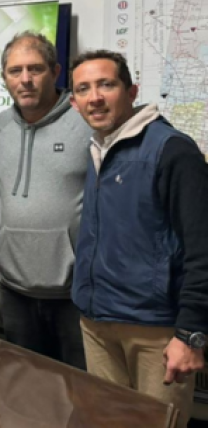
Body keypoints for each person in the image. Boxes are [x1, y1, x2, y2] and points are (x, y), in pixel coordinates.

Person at [69, 50, 208, 428]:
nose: (94, 97)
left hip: (156, 332)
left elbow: (202, 249)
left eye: (106, 85)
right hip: (97, 323)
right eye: (84, 89)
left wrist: (191, 334)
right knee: (106, 421)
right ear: (74, 102)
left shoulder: (172, 150)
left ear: (131, 91)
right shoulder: (98, 147)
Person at [0, 31, 90, 369]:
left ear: (56, 72)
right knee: (26, 393)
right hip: (15, 290)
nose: (26, 80)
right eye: (15, 71)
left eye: (36, 69)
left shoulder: (86, 123)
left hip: (74, 293)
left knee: (79, 394)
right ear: (4, 78)